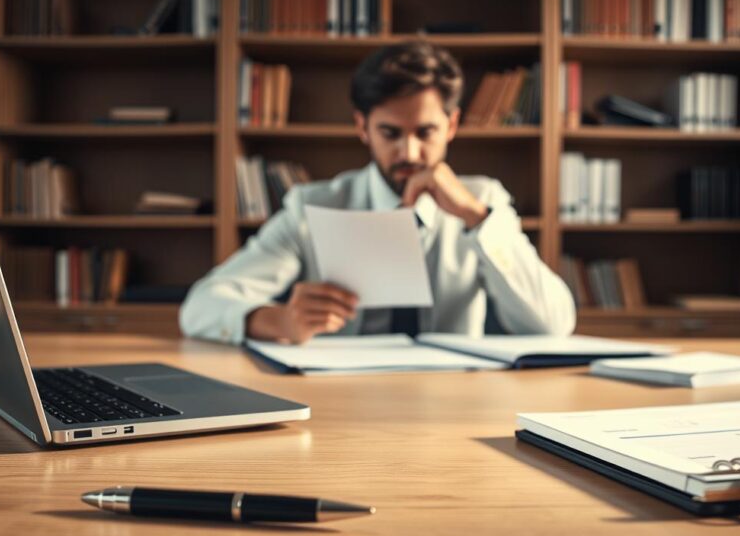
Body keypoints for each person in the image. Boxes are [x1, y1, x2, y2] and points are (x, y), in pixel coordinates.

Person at [180, 41, 576, 345]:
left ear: (452, 125)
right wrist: (278, 320)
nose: (409, 153)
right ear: (363, 127)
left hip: (457, 407)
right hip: (338, 406)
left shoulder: (483, 200)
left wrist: (476, 218)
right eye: (390, 133)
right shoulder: (313, 206)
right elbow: (200, 307)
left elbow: (553, 326)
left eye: (425, 132)